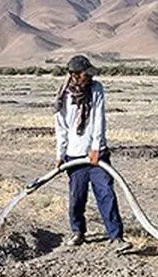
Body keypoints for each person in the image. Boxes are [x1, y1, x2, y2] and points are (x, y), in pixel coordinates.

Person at [54, 54, 132, 254]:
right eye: (84, 74)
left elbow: (99, 120)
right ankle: (78, 232)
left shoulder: (96, 89)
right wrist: (60, 154)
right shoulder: (63, 96)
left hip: (98, 155)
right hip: (75, 157)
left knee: (106, 193)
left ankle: (116, 237)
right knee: (76, 197)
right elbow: (61, 127)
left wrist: (96, 148)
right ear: (74, 75)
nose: (89, 78)